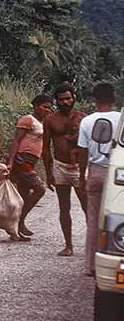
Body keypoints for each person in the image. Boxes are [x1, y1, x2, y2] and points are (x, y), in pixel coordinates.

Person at [77, 82, 120, 277]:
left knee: (93, 220)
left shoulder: (87, 121)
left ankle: (90, 266)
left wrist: (82, 176)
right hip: (118, 173)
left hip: (95, 172)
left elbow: (82, 152)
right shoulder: (121, 119)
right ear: (114, 98)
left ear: (94, 99)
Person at [42, 82, 87, 256]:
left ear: (74, 97)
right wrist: (49, 173)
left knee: (86, 206)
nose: (66, 102)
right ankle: (68, 245)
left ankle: (91, 246)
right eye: (62, 100)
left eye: (68, 98)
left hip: (78, 167)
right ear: (56, 101)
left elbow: (89, 145)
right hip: (60, 166)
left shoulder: (83, 118)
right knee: (64, 206)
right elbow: (45, 148)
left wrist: (84, 169)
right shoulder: (50, 120)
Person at [6, 94, 54, 241]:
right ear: (35, 106)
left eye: (49, 108)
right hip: (22, 161)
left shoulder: (44, 123)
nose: (47, 110)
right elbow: (16, 141)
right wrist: (10, 162)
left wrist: (49, 172)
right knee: (39, 189)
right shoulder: (28, 120)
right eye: (44, 107)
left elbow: (46, 150)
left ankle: (16, 230)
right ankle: (19, 222)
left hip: (31, 161)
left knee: (23, 195)